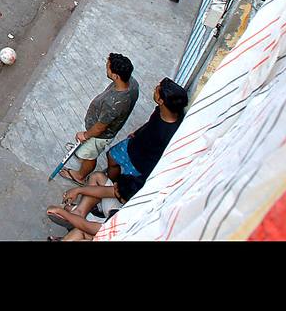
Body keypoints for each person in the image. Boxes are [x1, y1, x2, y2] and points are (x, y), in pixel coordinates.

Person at [46, 79, 189, 241]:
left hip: (143, 163)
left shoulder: (127, 219)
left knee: (83, 232)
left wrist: (64, 212)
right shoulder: (163, 112)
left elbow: (91, 228)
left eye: (158, 89)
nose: (155, 89)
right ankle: (83, 211)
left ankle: (80, 217)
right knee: (103, 170)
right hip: (135, 149)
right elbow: (150, 124)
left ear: (162, 100)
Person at [61, 53, 139, 185]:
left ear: (116, 76)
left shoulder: (113, 103)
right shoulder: (132, 83)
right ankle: (82, 151)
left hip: (100, 135)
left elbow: (100, 127)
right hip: (104, 129)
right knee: (87, 148)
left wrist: (85, 135)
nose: (106, 68)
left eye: (108, 67)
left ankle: (80, 176)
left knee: (89, 155)